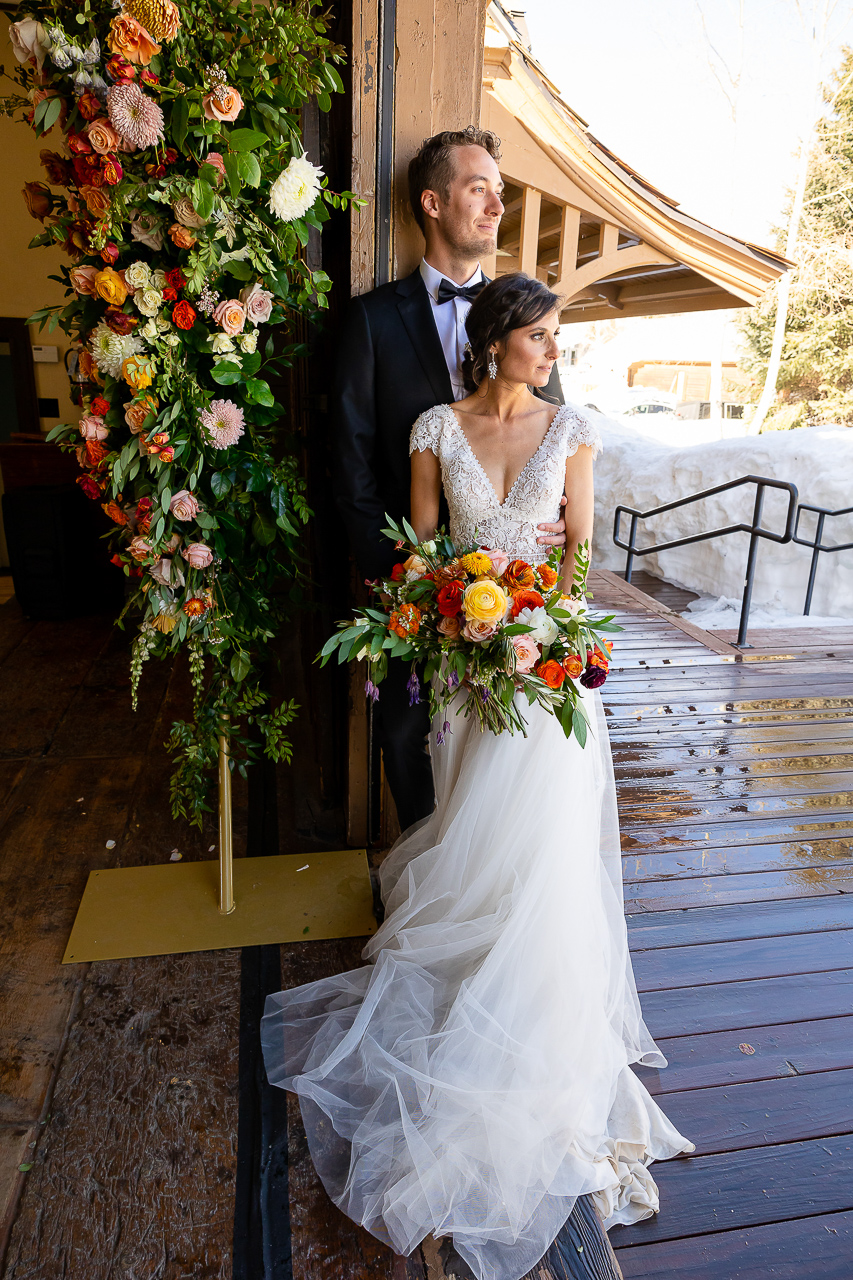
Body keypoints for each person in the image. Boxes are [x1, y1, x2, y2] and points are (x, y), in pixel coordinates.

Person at [263, 273, 694, 1280]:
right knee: (471, 833)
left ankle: (538, 1014)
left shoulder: (573, 428)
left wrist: (542, 599)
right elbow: (417, 559)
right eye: (537, 336)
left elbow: (582, 558)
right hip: (463, 669)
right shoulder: (432, 429)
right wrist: (455, 600)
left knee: (542, 846)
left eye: (555, 337)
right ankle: (472, 981)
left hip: (546, 672)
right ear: (497, 339)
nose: (551, 352)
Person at [333, 126, 566, 832]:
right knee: (407, 736)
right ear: (432, 204)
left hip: (516, 590)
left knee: (510, 743)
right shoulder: (369, 322)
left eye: (499, 191)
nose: (497, 205)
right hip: (409, 585)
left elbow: (554, 433)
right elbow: (350, 463)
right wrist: (406, 575)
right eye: (478, 188)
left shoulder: (530, 318)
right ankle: (423, 877)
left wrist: (549, 524)